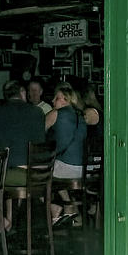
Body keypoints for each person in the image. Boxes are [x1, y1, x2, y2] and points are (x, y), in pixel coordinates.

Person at [0, 79, 45, 186]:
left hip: (10, 174)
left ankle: (1, 202)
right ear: (22, 92)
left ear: (6, 95)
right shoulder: (38, 111)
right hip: (38, 172)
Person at [45, 82, 87, 224]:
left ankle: (57, 208)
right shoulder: (80, 116)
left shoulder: (55, 113)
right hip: (82, 169)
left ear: (66, 100)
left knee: (39, 174)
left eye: (56, 98)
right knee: (53, 170)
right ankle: (70, 208)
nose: (52, 101)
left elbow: (38, 133)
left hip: (65, 168)